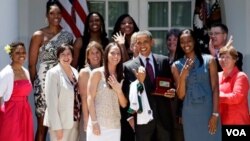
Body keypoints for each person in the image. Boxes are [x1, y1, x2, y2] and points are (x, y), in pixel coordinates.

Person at [28, 0, 74, 140]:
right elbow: (32, 65)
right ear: (46, 15)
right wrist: (37, 85)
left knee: (60, 124)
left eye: (59, 13)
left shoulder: (67, 36)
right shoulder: (38, 35)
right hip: (42, 85)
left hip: (61, 82)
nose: (56, 16)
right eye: (52, 13)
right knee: (42, 127)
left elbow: (68, 60)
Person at [123, 30, 175, 141]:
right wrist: (130, 116)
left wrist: (172, 92)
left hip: (163, 118)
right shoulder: (129, 67)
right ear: (135, 45)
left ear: (152, 42)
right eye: (139, 42)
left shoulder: (164, 61)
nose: (142, 45)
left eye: (145, 42)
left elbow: (171, 84)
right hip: (143, 120)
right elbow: (129, 96)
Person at [171, 29, 221, 141]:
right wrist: (183, 75)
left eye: (189, 41)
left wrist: (215, 114)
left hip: (209, 110)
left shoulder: (210, 60)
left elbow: (215, 88)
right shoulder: (176, 65)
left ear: (194, 41)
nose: (186, 44)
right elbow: (180, 96)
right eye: (182, 42)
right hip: (189, 113)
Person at [86, 42, 127, 141]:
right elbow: (90, 98)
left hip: (115, 126)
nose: (115, 56)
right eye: (112, 53)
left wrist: (118, 90)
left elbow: (124, 104)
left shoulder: (122, 76)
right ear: (106, 54)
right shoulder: (97, 73)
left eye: (118, 54)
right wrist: (94, 122)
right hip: (98, 124)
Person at [43, 43, 81, 141]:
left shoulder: (75, 72)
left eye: (68, 54)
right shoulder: (53, 73)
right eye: (62, 54)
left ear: (72, 56)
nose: (66, 57)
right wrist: (57, 127)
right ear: (58, 57)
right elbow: (51, 103)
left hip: (74, 121)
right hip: (60, 124)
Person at [0, 42, 34, 141]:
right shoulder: (6, 73)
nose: (21, 55)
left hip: (25, 110)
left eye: (23, 52)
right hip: (11, 112)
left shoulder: (25, 71)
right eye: (17, 53)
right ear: (11, 55)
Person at [78, 41, 104, 140]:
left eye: (97, 52)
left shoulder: (106, 71)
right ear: (87, 56)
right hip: (89, 118)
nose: (95, 56)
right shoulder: (84, 72)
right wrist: (86, 121)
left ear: (102, 54)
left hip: (104, 117)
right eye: (92, 53)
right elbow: (84, 98)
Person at [218, 45, 250, 125]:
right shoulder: (217, 76)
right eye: (221, 57)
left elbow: (236, 97)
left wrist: (217, 96)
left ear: (235, 59)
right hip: (219, 122)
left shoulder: (241, 76)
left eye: (227, 57)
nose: (224, 60)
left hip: (237, 123)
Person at [166, 28, 184, 141]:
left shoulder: (184, 60)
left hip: (179, 102)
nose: (172, 42)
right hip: (167, 103)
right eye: (169, 39)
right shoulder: (164, 59)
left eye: (175, 39)